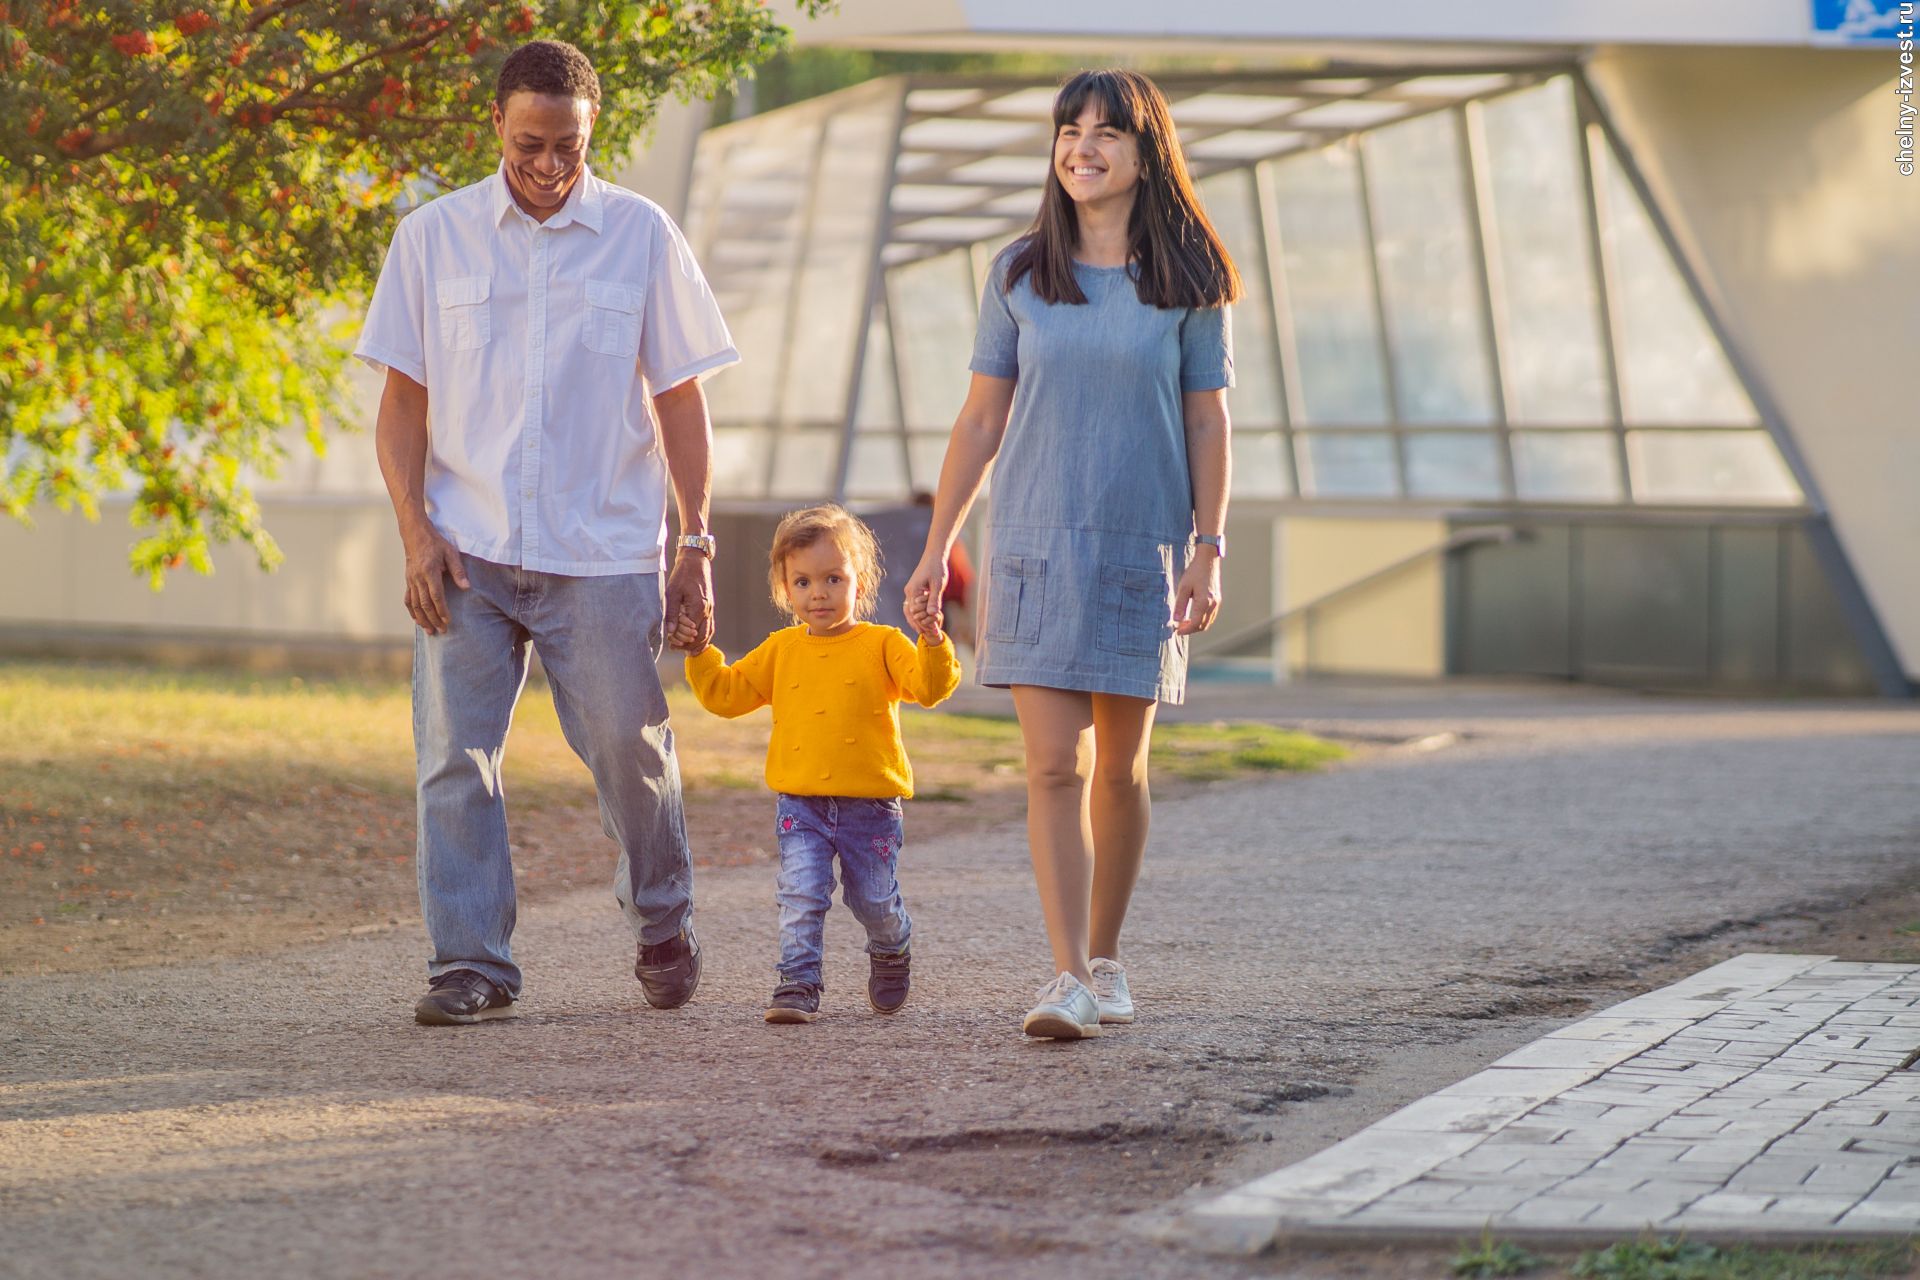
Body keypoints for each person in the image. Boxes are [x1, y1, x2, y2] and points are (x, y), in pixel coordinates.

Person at [355, 40, 738, 1025]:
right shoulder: (432, 239)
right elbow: (401, 406)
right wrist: (414, 534)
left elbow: (681, 399)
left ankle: (662, 919)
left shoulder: (641, 235)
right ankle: (471, 963)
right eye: (530, 144)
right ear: (495, 125)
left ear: (591, 134)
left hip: (601, 552)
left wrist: (695, 541)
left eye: (569, 146)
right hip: (465, 549)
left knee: (630, 748)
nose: (550, 166)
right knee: (453, 759)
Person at [904, 69, 1238, 1041]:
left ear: (1147, 154)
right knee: (1052, 764)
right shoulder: (1017, 272)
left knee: (1119, 771)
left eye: (1105, 133)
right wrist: (938, 547)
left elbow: (1209, 420)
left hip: (1144, 544)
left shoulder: (1191, 279)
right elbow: (979, 419)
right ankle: (1065, 976)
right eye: (1068, 130)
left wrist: (1208, 549)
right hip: (1033, 544)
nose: (1081, 147)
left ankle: (1105, 955)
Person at [680, 505, 960, 1024]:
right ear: (785, 589)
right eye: (803, 581)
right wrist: (701, 651)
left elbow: (930, 686)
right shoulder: (781, 648)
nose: (819, 593)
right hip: (800, 804)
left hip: (871, 807)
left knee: (873, 900)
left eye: (834, 578)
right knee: (801, 894)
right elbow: (726, 694)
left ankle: (891, 947)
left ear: (861, 578)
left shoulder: (883, 644)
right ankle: (797, 982)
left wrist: (934, 640)